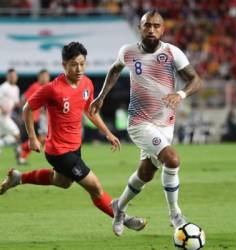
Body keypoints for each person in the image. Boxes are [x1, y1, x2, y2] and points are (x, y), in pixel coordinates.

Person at [0, 42, 146, 232]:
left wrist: (107, 132)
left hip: (74, 147)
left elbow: (89, 110)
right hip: (59, 151)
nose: (79, 69)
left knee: (62, 182)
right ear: (64, 65)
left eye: (82, 64)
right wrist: (33, 138)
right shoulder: (53, 89)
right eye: (74, 65)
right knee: (95, 187)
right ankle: (123, 219)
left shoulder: (86, 83)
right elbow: (28, 108)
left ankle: (19, 178)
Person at [90, 11, 203, 236]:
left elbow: (196, 80)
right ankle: (175, 214)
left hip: (165, 123)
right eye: (147, 25)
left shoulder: (172, 52)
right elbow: (114, 70)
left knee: (146, 173)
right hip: (139, 122)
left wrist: (180, 94)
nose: (151, 29)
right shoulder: (128, 51)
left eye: (156, 25)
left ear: (163, 29)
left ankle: (118, 207)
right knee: (172, 159)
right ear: (140, 28)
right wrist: (101, 96)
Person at [16, 69, 50, 165]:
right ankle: (22, 149)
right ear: (39, 77)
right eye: (44, 76)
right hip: (33, 118)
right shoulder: (35, 87)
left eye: (47, 76)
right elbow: (24, 98)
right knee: (40, 138)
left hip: (37, 118)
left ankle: (22, 156)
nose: (46, 78)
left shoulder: (45, 87)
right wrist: (24, 112)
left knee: (38, 139)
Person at [0, 68, 20, 152]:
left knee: (3, 135)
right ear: (7, 77)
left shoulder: (16, 88)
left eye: (14, 76)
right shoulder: (3, 87)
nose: (13, 77)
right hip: (2, 116)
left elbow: (15, 102)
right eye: (11, 76)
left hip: (7, 116)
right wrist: (1, 108)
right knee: (17, 134)